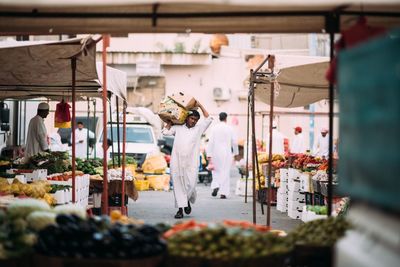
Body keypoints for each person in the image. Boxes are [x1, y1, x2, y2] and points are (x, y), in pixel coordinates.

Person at [162, 102, 212, 219]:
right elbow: (165, 132)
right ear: (187, 118)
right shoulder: (178, 127)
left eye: (195, 119)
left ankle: (187, 200)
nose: (193, 121)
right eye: (192, 118)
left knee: (191, 185)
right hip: (177, 162)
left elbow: (209, 118)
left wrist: (200, 105)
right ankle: (180, 209)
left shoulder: (199, 129)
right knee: (178, 185)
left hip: (192, 163)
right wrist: (169, 122)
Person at [206, 112, 239, 199]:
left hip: (215, 152)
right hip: (226, 153)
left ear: (219, 118)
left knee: (215, 170)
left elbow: (210, 142)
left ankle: (216, 185)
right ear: (226, 118)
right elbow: (234, 142)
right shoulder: (230, 128)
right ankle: (223, 193)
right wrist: (235, 153)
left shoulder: (214, 128)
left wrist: (209, 154)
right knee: (225, 171)